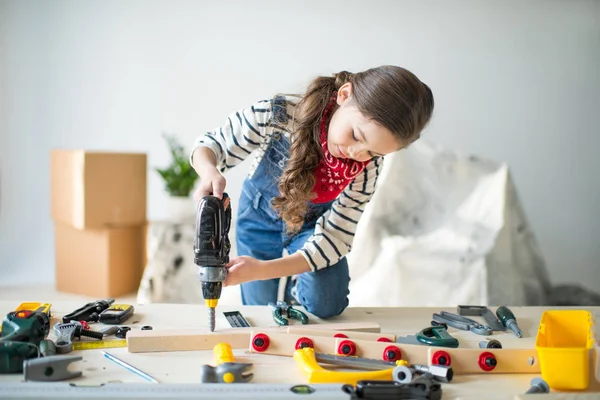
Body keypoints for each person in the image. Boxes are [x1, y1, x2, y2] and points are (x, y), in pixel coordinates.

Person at [189, 65, 434, 319]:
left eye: (373, 152)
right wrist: (209, 171)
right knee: (261, 313)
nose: (357, 154)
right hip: (257, 220)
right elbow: (211, 145)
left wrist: (262, 270)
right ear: (344, 95)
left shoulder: (368, 168)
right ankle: (284, 291)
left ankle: (297, 287)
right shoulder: (279, 115)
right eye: (356, 136)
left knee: (327, 302)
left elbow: (335, 238)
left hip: (311, 228)